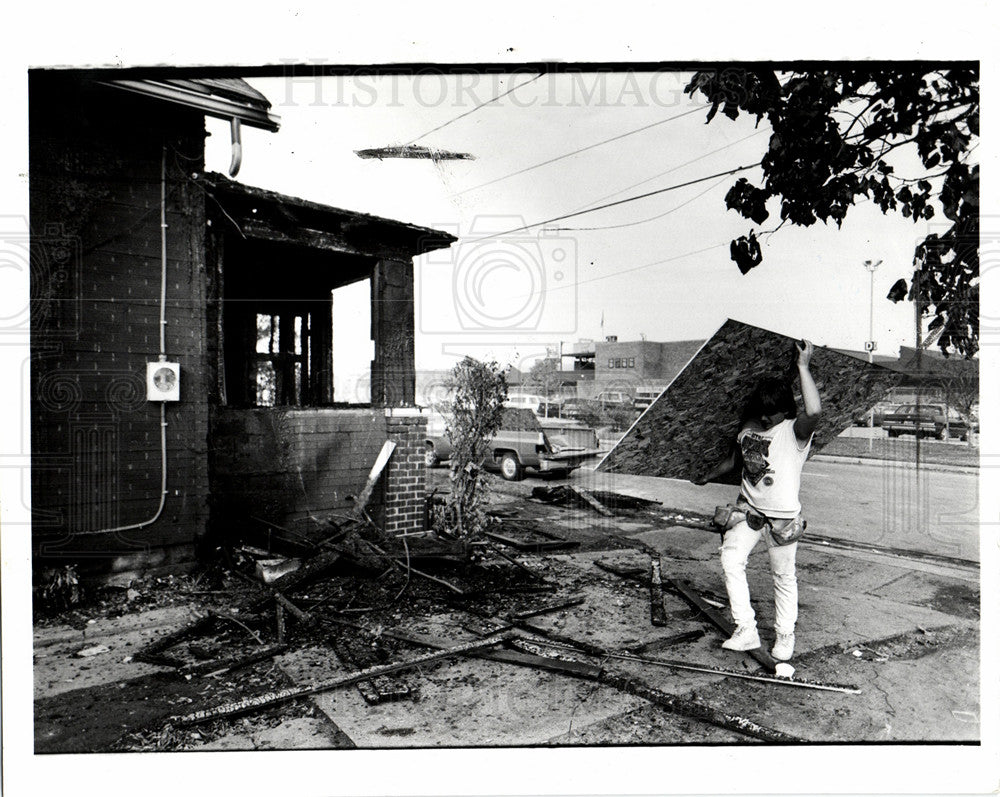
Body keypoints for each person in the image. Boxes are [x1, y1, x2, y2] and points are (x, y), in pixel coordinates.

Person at [691, 340, 821, 661]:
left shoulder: (794, 432)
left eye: (771, 413)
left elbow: (815, 411)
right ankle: (746, 629)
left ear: (786, 410)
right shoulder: (749, 428)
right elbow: (734, 461)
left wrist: (803, 366)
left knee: (783, 576)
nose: (765, 418)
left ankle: (785, 635)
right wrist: (706, 475)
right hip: (748, 512)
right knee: (731, 561)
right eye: (762, 412)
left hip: (783, 520)